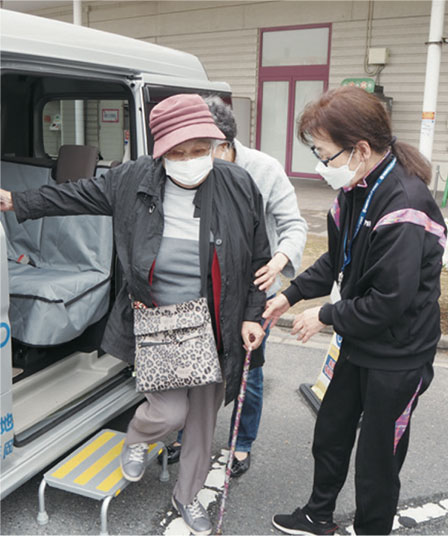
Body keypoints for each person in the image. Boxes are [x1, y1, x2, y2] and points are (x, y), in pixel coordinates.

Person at [0, 93, 270, 536]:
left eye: (199, 149)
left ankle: (188, 497)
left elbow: (259, 257)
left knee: (202, 419)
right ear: (159, 152)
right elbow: (79, 194)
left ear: (213, 145)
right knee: (167, 414)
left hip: (214, 323)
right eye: (177, 153)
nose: (189, 160)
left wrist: (251, 316)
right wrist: (19, 202)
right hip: (158, 322)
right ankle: (138, 438)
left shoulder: (239, 185)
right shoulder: (132, 179)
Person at [263, 86, 446, 535]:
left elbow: (390, 301)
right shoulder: (356, 188)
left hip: (399, 354)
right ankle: (318, 514)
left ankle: (371, 530)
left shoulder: (405, 205)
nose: (321, 166)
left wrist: (325, 317)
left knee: (378, 457)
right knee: (332, 430)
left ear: (360, 149)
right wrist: (291, 295)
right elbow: (337, 257)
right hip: (358, 341)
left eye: (324, 154)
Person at [166, 96, 307, 477]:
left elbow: (294, 225)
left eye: (206, 150)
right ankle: (183, 433)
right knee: (191, 363)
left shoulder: (264, 169)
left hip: (251, 286)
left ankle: (240, 443)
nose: (196, 159)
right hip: (200, 286)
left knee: (248, 368)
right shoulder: (182, 168)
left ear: (225, 144)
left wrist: (278, 260)